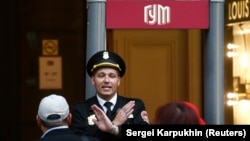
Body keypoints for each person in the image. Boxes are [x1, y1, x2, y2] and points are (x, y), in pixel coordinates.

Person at [69, 50, 150, 141]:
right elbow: (79, 139)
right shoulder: (80, 109)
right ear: (93, 80)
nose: (106, 80)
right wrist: (114, 124)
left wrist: (114, 129)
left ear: (118, 81)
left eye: (112, 76)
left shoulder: (134, 106)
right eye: (101, 75)